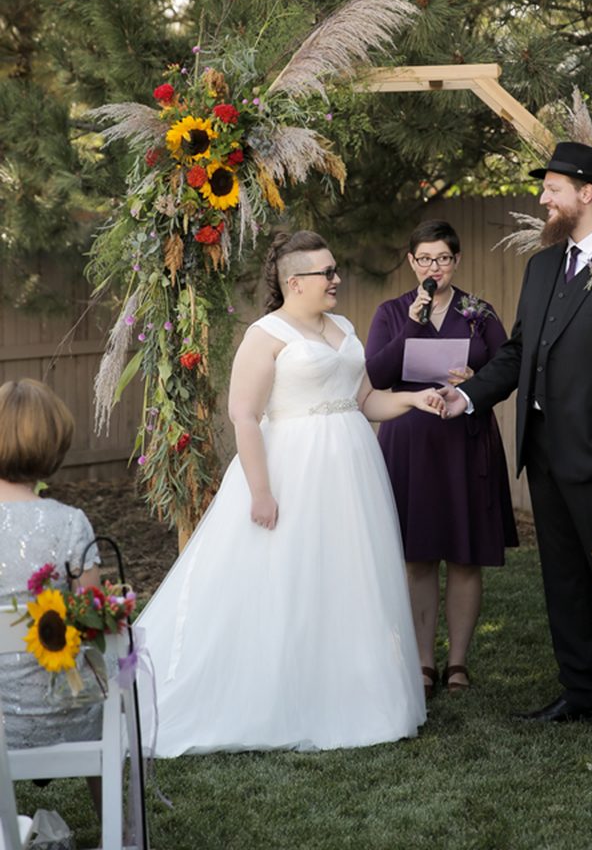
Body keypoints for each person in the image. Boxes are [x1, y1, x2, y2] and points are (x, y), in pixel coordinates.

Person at [137, 230, 446, 755]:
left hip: (353, 468)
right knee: (290, 575)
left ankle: (355, 695)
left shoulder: (344, 327)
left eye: (335, 270)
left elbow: (366, 400)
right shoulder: (266, 333)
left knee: (350, 575)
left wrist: (416, 402)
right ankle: (280, 696)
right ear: (294, 281)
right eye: (327, 273)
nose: (336, 280)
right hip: (292, 469)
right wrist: (260, 490)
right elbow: (243, 414)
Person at [440, 142, 592, 721]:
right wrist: (468, 395)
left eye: (551, 188)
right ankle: (582, 692)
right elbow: (520, 351)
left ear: (585, 192)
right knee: (565, 581)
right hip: (544, 452)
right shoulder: (543, 265)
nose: (542, 198)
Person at [365, 219, 518, 698]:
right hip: (410, 442)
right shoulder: (392, 312)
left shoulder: (478, 312)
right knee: (418, 557)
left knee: (465, 556)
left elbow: (504, 372)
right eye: (426, 259)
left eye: (444, 259)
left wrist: (473, 378)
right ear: (412, 262)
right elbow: (378, 374)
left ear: (456, 261)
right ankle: (424, 661)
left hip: (464, 440)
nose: (435, 267)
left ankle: (458, 663)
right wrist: (413, 322)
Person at [0, 378, 102, 749]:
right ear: (53, 442)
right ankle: (105, 802)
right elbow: (93, 618)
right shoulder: (70, 523)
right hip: (68, 712)